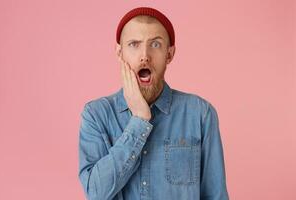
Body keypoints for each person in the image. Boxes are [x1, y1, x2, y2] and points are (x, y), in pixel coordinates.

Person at [78, 6, 229, 200]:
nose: (145, 56)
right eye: (134, 44)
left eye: (155, 44)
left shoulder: (200, 113)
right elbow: (95, 193)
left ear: (169, 54)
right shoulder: (96, 115)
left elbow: (216, 195)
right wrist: (139, 121)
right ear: (119, 52)